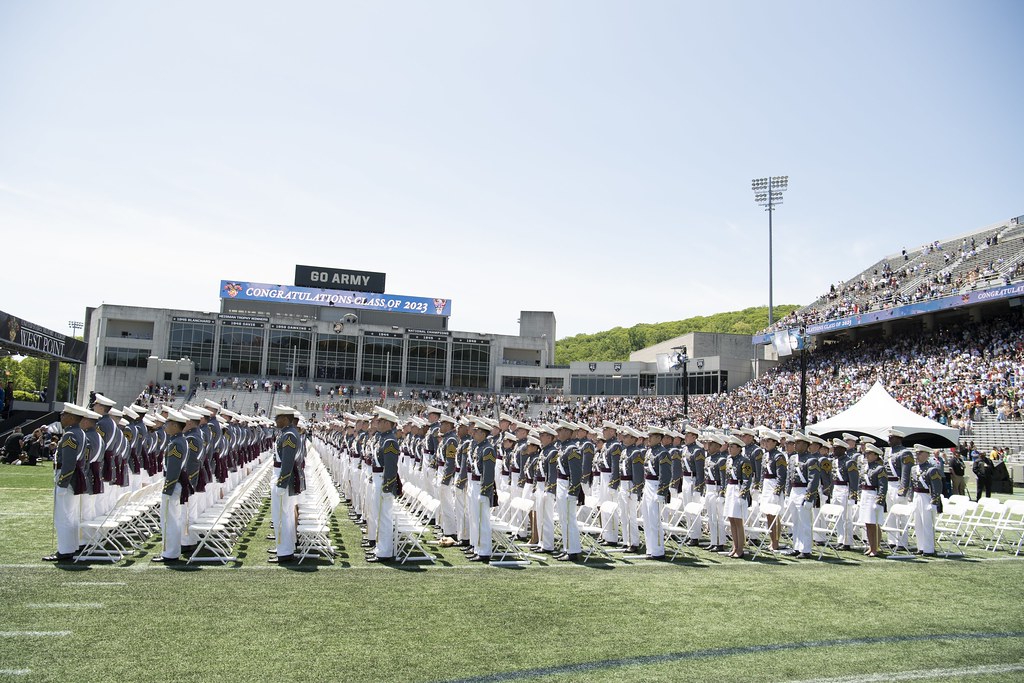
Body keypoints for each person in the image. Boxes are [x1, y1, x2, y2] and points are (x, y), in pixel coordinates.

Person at [43, 403, 89, 562]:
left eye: (64, 414)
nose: (61, 417)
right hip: (74, 480)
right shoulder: (80, 433)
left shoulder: (70, 435)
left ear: (71, 417)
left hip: (68, 481)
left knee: (64, 517)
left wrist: (62, 483)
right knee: (71, 515)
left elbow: (69, 463)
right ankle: (70, 547)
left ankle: (64, 550)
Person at [152, 409, 189, 563]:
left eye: (168, 423)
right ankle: (171, 551)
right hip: (176, 485)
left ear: (174, 425)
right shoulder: (179, 440)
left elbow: (173, 469)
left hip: (173, 486)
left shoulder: (175, 443)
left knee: (169, 520)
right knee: (172, 519)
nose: (165, 425)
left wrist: (167, 488)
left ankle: (170, 553)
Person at [367, 407, 401, 563]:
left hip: (383, 481)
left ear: (388, 423)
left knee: (384, 518)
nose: (377, 422)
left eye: (380, 420)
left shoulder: (390, 441)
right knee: (378, 516)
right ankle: (380, 548)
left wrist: (388, 488)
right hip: (377, 479)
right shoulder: (382, 438)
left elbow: (391, 467)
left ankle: (385, 551)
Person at [270, 405, 301, 564]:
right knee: (285, 516)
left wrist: (281, 484)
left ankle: (284, 551)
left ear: (285, 419)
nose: (275, 421)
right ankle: (285, 548)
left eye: (277, 418)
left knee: (281, 516)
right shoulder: (287, 433)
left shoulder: (289, 435)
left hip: (283, 479)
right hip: (281, 476)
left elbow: (287, 462)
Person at [910, 444, 943, 557]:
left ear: (927, 455)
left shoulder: (932, 470)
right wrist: (910, 499)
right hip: (916, 496)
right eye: (917, 453)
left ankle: (929, 549)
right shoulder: (914, 468)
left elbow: (937, 487)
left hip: (926, 497)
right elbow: (911, 485)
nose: (917, 455)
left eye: (920, 453)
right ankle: (921, 547)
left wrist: (934, 502)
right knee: (918, 523)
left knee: (927, 524)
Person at [722, 435, 752, 558]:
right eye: (729, 446)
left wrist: (743, 494)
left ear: (739, 448)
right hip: (730, 489)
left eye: (732, 446)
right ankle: (735, 546)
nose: (729, 449)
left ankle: (740, 548)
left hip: (738, 490)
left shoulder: (744, 461)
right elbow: (726, 477)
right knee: (731, 519)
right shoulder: (729, 459)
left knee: (738, 521)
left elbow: (747, 479)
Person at [858, 444, 888, 557]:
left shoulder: (880, 469)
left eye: (869, 454)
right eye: (866, 453)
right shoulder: (865, 467)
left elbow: (883, 487)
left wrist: (879, 501)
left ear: (876, 455)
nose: (867, 455)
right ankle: (871, 546)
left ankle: (875, 548)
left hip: (873, 496)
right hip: (865, 495)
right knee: (867, 523)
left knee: (873, 523)